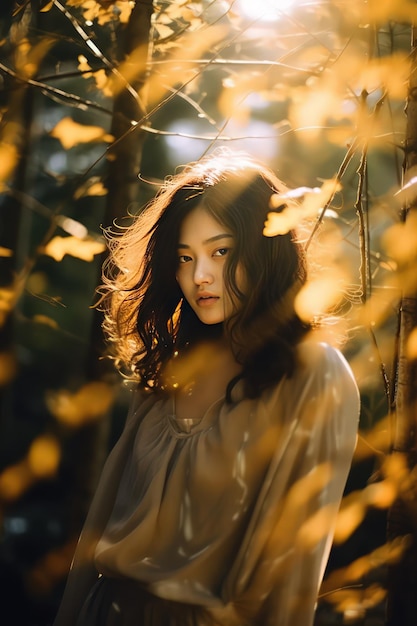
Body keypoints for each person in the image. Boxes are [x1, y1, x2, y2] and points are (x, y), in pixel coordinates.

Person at [53, 151, 360, 626]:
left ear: (266, 248)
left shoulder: (313, 373)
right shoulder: (169, 371)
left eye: (221, 251)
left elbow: (294, 568)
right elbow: (97, 532)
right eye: (184, 258)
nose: (200, 276)